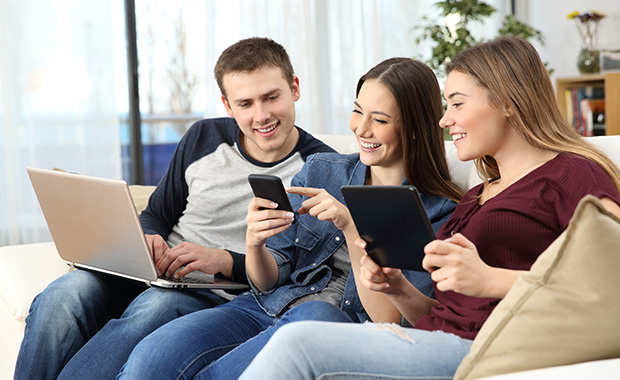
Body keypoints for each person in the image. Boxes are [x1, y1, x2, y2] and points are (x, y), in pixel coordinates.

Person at [237, 36, 620, 380]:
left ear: (507, 102)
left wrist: (489, 279)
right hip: (433, 340)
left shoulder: (573, 174)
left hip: (489, 348)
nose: (444, 119)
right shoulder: (476, 196)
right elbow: (437, 317)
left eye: (456, 104)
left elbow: (609, 284)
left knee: (301, 342)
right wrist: (399, 288)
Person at [116, 57, 462, 379]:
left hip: (332, 324)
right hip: (264, 306)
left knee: (318, 316)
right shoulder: (322, 171)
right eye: (358, 112)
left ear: (414, 129)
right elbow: (268, 280)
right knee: (152, 358)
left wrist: (351, 225)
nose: (362, 129)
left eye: (381, 120)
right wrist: (255, 243)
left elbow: (387, 319)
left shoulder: (439, 212)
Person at [14, 37, 334, 380]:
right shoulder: (203, 137)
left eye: (272, 97)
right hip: (157, 271)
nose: (262, 115)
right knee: (61, 295)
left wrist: (222, 260)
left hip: (215, 292)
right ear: (227, 105)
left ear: (295, 88)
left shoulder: (321, 168)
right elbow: (157, 213)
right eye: (246, 103)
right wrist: (148, 237)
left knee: (152, 309)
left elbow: (296, 271)